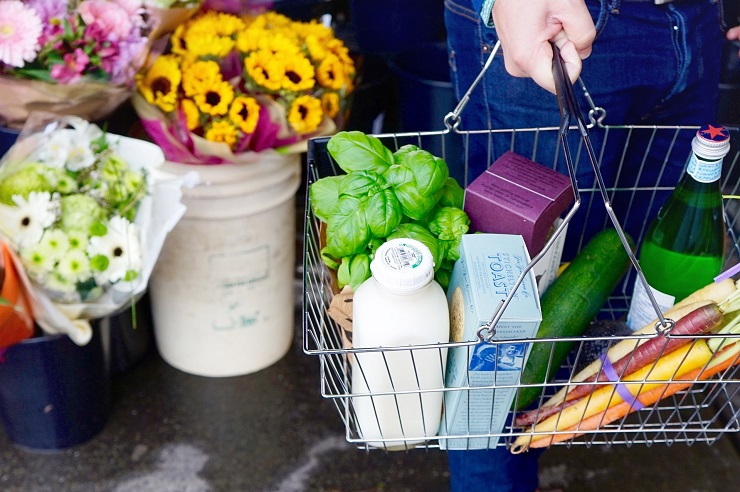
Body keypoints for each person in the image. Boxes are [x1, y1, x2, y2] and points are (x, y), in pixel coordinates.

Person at [443, 1, 740, 491]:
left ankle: (560, 411)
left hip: (697, 24)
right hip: (561, 19)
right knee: (500, 329)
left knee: (637, 269)